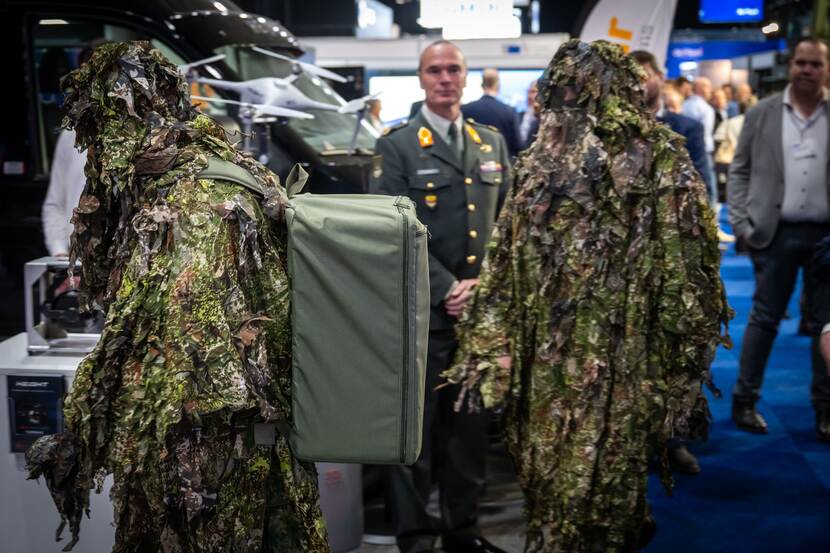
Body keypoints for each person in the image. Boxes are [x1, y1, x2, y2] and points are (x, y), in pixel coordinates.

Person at [25, 42, 330, 552]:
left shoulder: (182, 202)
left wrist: (82, 435)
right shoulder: (222, 166)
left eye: (96, 136)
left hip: (207, 449)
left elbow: (171, 342)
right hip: (254, 434)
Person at [446, 39, 729, 552]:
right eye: (563, 92)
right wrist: (493, 345)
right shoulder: (538, 166)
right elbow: (506, 260)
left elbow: (689, 283)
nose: (571, 105)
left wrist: (680, 375)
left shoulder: (660, 162)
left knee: (608, 492)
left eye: (581, 92)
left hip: (624, 367)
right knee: (548, 485)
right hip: (544, 370)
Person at [370, 40, 511, 553]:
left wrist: (484, 289)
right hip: (423, 313)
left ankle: (462, 530)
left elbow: (508, 228)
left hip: (480, 313)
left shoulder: (490, 142)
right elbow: (394, 231)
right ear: (422, 79)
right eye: (436, 70)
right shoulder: (399, 145)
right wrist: (449, 287)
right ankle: (414, 534)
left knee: (470, 431)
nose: (446, 78)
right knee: (417, 433)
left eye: (454, 69)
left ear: (467, 77)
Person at [727, 37, 830, 443]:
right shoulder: (764, 113)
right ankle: (744, 399)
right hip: (774, 231)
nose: (806, 70)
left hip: (826, 237)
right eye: (800, 63)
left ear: (825, 69)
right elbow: (739, 170)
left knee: (826, 326)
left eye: (815, 64)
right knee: (764, 318)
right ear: (791, 66)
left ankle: (825, 408)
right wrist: (739, 223)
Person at [631, 49, 712, 474]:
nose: (640, 83)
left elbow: (700, 188)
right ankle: (635, 441)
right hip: (625, 266)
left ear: (660, 77)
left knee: (677, 354)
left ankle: (674, 440)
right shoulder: (610, 134)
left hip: (675, 259)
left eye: (646, 75)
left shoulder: (687, 128)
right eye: (632, 76)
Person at [462, 68, 522, 157]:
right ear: (498, 86)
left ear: (482, 85)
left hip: (473, 164)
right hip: (502, 165)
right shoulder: (509, 111)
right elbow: (517, 145)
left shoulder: (465, 109)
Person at [682, 77, 717, 204]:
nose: (711, 91)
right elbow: (705, 134)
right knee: (709, 189)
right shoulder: (706, 109)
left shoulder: (684, 105)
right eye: (708, 87)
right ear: (701, 89)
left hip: (685, 151)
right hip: (702, 154)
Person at [518, 80, 540, 150]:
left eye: (533, 92)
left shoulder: (545, 119)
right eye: (528, 92)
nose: (529, 96)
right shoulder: (519, 116)